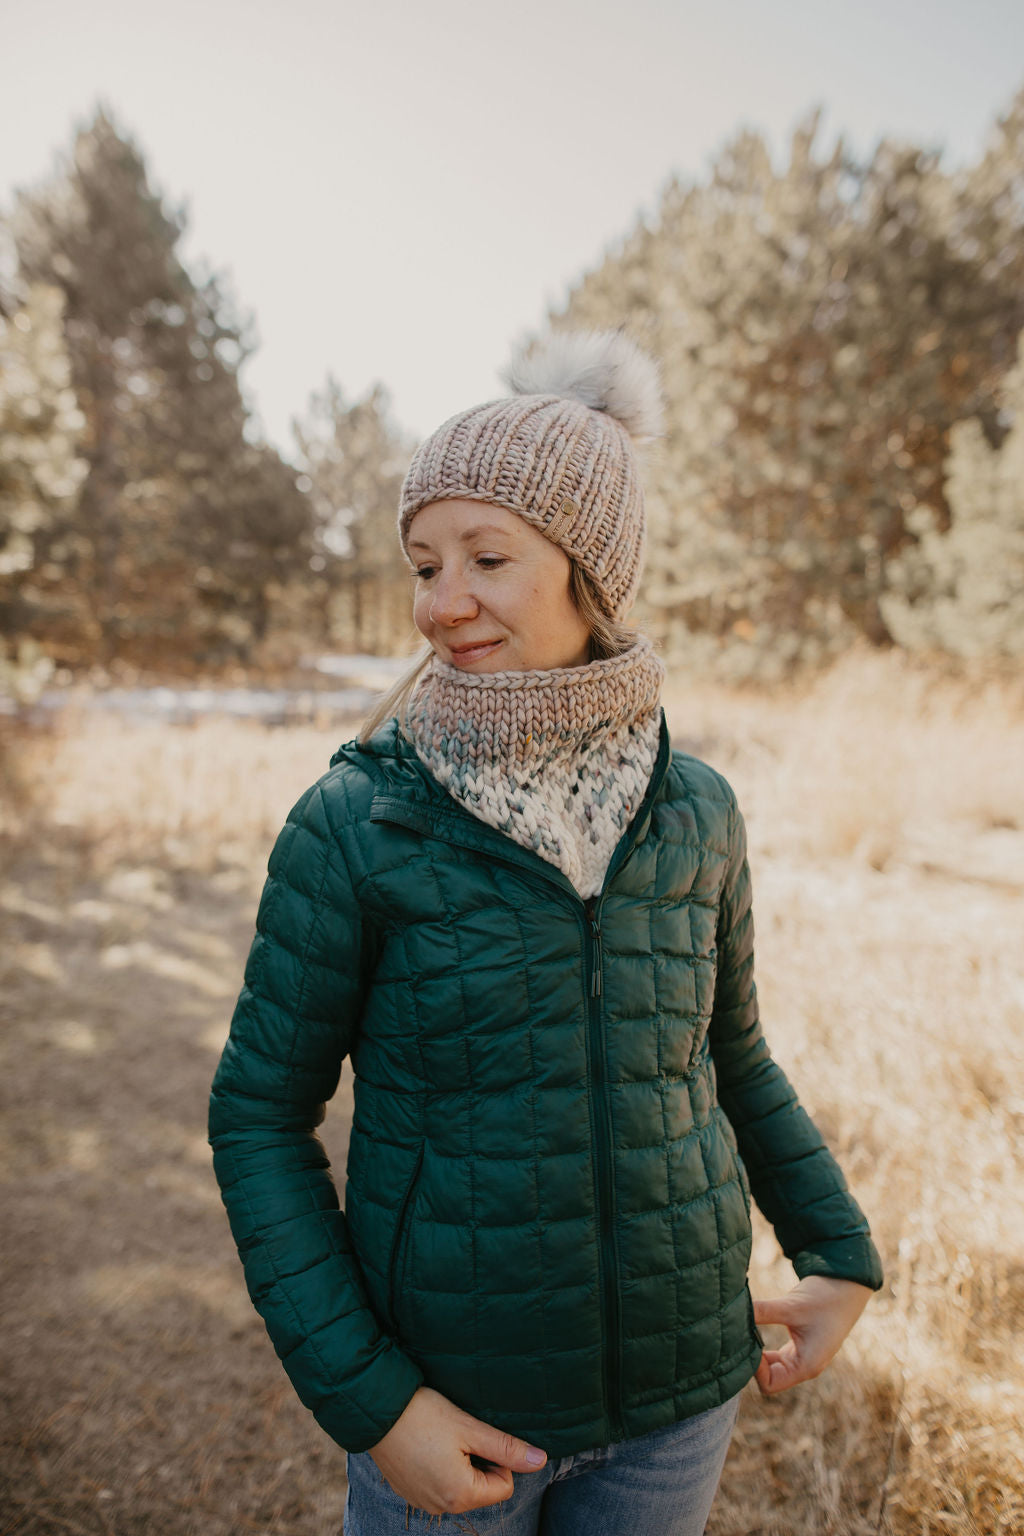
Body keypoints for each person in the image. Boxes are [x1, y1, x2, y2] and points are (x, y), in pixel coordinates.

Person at [209, 329, 883, 1535]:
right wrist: (375, 1405)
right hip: (452, 1408)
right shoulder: (358, 821)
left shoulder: (695, 809)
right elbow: (258, 1117)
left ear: (593, 573)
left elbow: (731, 1059)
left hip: (678, 1400)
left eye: (487, 558)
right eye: (424, 564)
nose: (441, 602)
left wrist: (835, 1248)